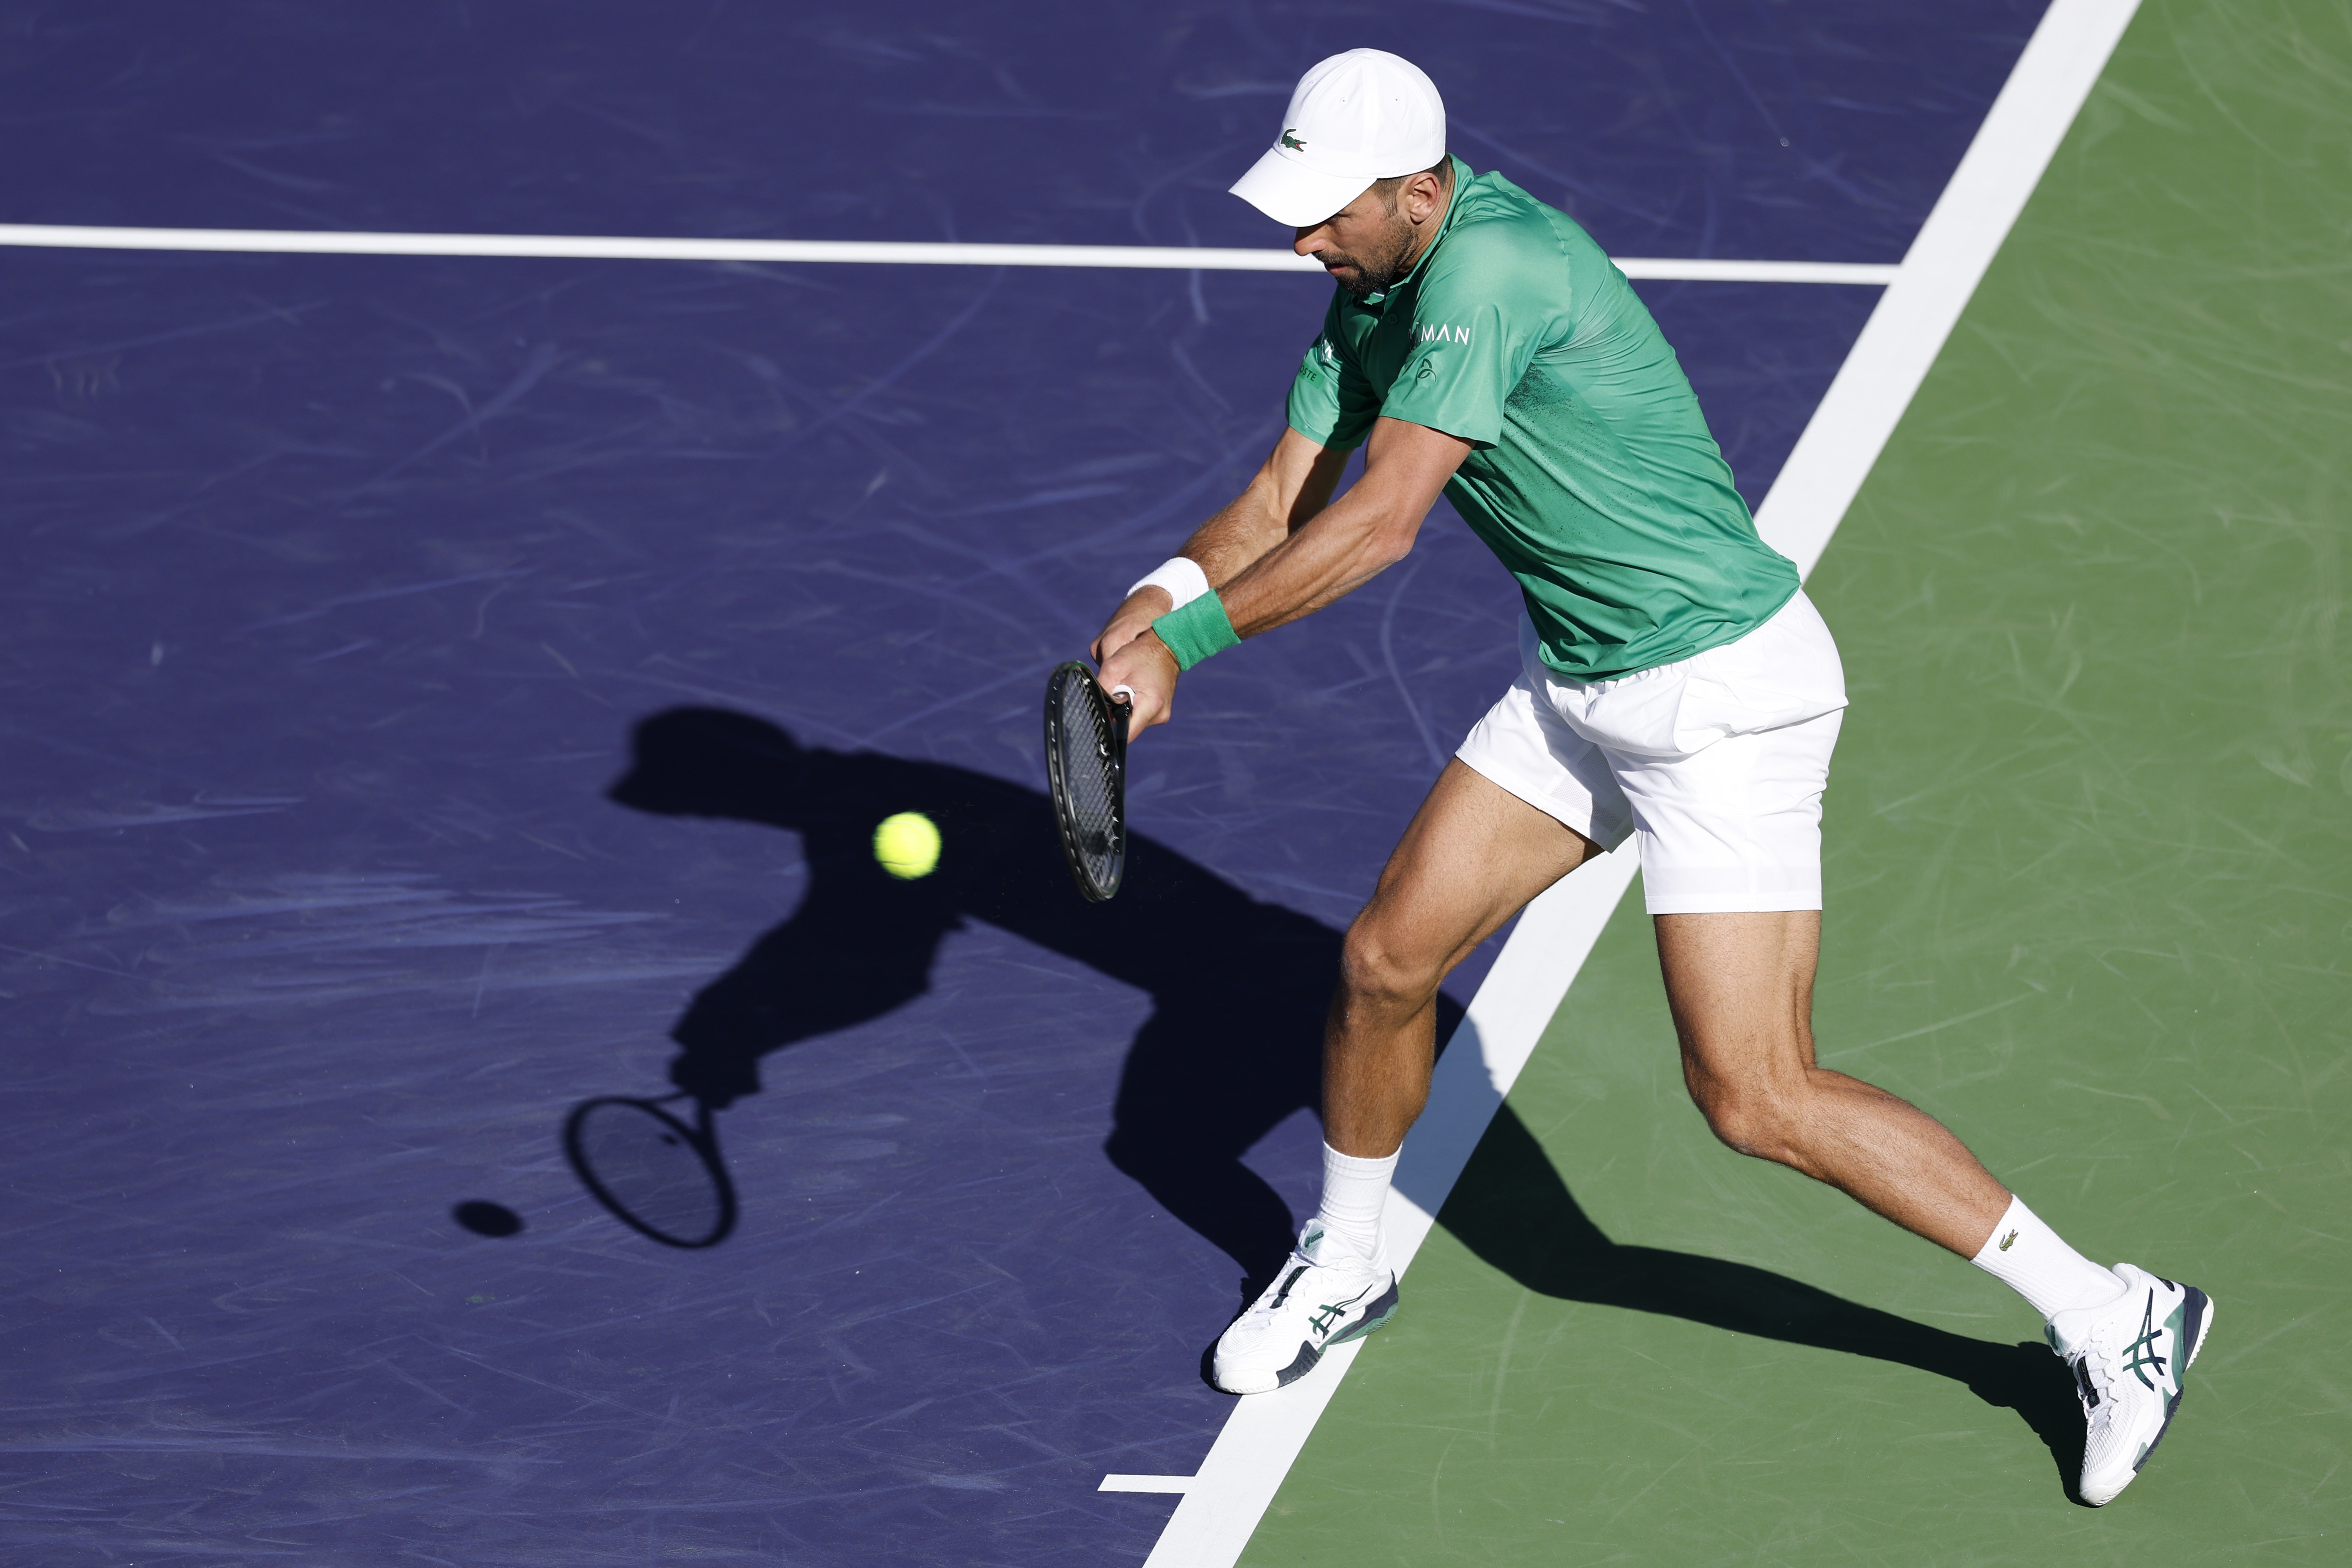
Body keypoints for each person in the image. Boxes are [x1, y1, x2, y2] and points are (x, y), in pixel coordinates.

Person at [1089, 48, 2210, 1506]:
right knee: (1383, 962)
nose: (1300, 240)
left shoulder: (1491, 272)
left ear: (1418, 190)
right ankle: (1346, 1262)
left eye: (1325, 213)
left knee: (1753, 1096)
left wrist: (1185, 642)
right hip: (1578, 690)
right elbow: (1279, 500)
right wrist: (1156, 590)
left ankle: (2112, 1315)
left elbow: (1375, 529)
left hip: (1724, 702)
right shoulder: (1367, 295)